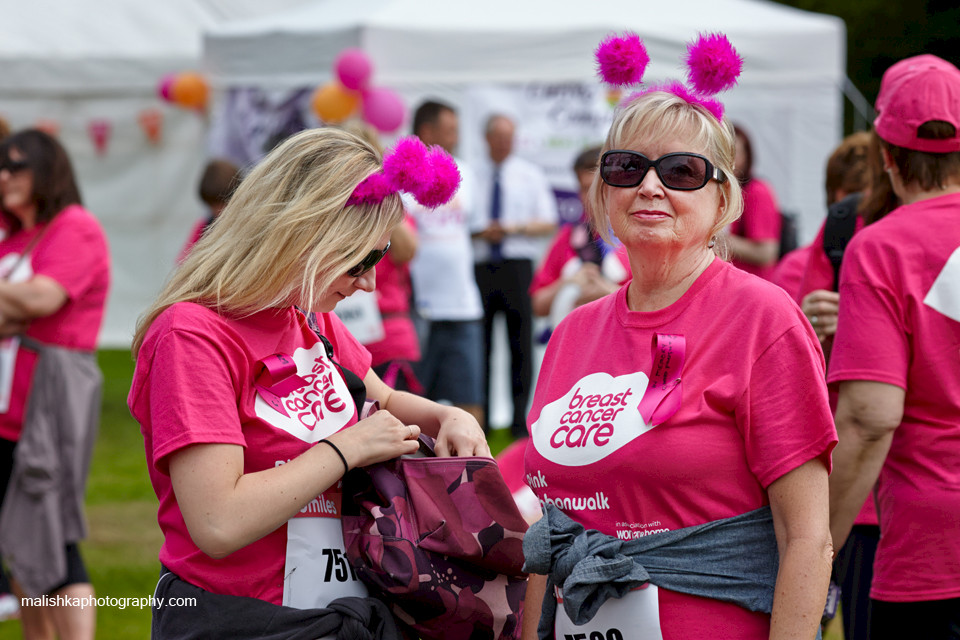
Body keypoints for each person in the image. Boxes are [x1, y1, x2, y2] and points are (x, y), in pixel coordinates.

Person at [128, 126, 489, 638]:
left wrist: (447, 415)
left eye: (380, 258)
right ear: (303, 235)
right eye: (360, 260)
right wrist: (344, 450)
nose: (368, 282)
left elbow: (382, 397)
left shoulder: (308, 318)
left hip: (341, 610)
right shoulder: (192, 336)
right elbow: (218, 523)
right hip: (241, 620)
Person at [522, 89, 836, 640]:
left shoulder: (763, 318)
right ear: (602, 192)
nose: (649, 186)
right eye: (626, 167)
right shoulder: (574, 331)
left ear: (723, 201)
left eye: (681, 171)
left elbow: (807, 534)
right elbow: (551, 535)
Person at [828, 56, 960, 640]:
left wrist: (815, 546)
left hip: (933, 547)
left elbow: (869, 417)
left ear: (885, 153)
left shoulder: (883, 247)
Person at [0, 129, 111, 640]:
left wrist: (19, 307)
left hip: (53, 396)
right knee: (20, 533)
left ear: (48, 171)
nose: (4, 177)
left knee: (53, 529)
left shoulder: (74, 227)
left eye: (16, 166)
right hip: (12, 404)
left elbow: (44, 299)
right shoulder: (16, 235)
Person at [471, 114, 558, 437]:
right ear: (487, 138)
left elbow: (547, 222)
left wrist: (513, 228)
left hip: (517, 266)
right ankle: (482, 418)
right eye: (499, 137)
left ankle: (520, 420)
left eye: (510, 137)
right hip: (481, 265)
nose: (505, 143)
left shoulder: (529, 175)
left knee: (519, 345)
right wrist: (482, 232)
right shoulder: (471, 174)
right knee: (480, 344)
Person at [406, 101, 485, 426]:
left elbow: (474, 229)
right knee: (412, 400)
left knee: (469, 396)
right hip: (417, 308)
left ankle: (476, 470)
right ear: (427, 132)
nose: (456, 137)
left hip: (463, 306)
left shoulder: (465, 173)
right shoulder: (402, 179)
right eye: (449, 130)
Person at [530, 146, 631, 330]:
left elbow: (657, 307)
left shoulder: (636, 236)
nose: (592, 196)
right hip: (576, 345)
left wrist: (608, 292)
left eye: (598, 188)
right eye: (585, 188)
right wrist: (569, 282)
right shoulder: (567, 237)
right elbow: (538, 306)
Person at [726, 125, 781, 280]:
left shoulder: (756, 191)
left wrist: (714, 238)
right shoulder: (721, 190)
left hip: (750, 284)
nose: (729, 159)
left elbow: (765, 253)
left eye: (734, 153)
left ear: (747, 156)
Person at [177, 158, 241, 262]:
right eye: (213, 205)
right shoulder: (203, 228)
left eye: (223, 204)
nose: (219, 211)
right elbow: (184, 263)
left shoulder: (247, 224)